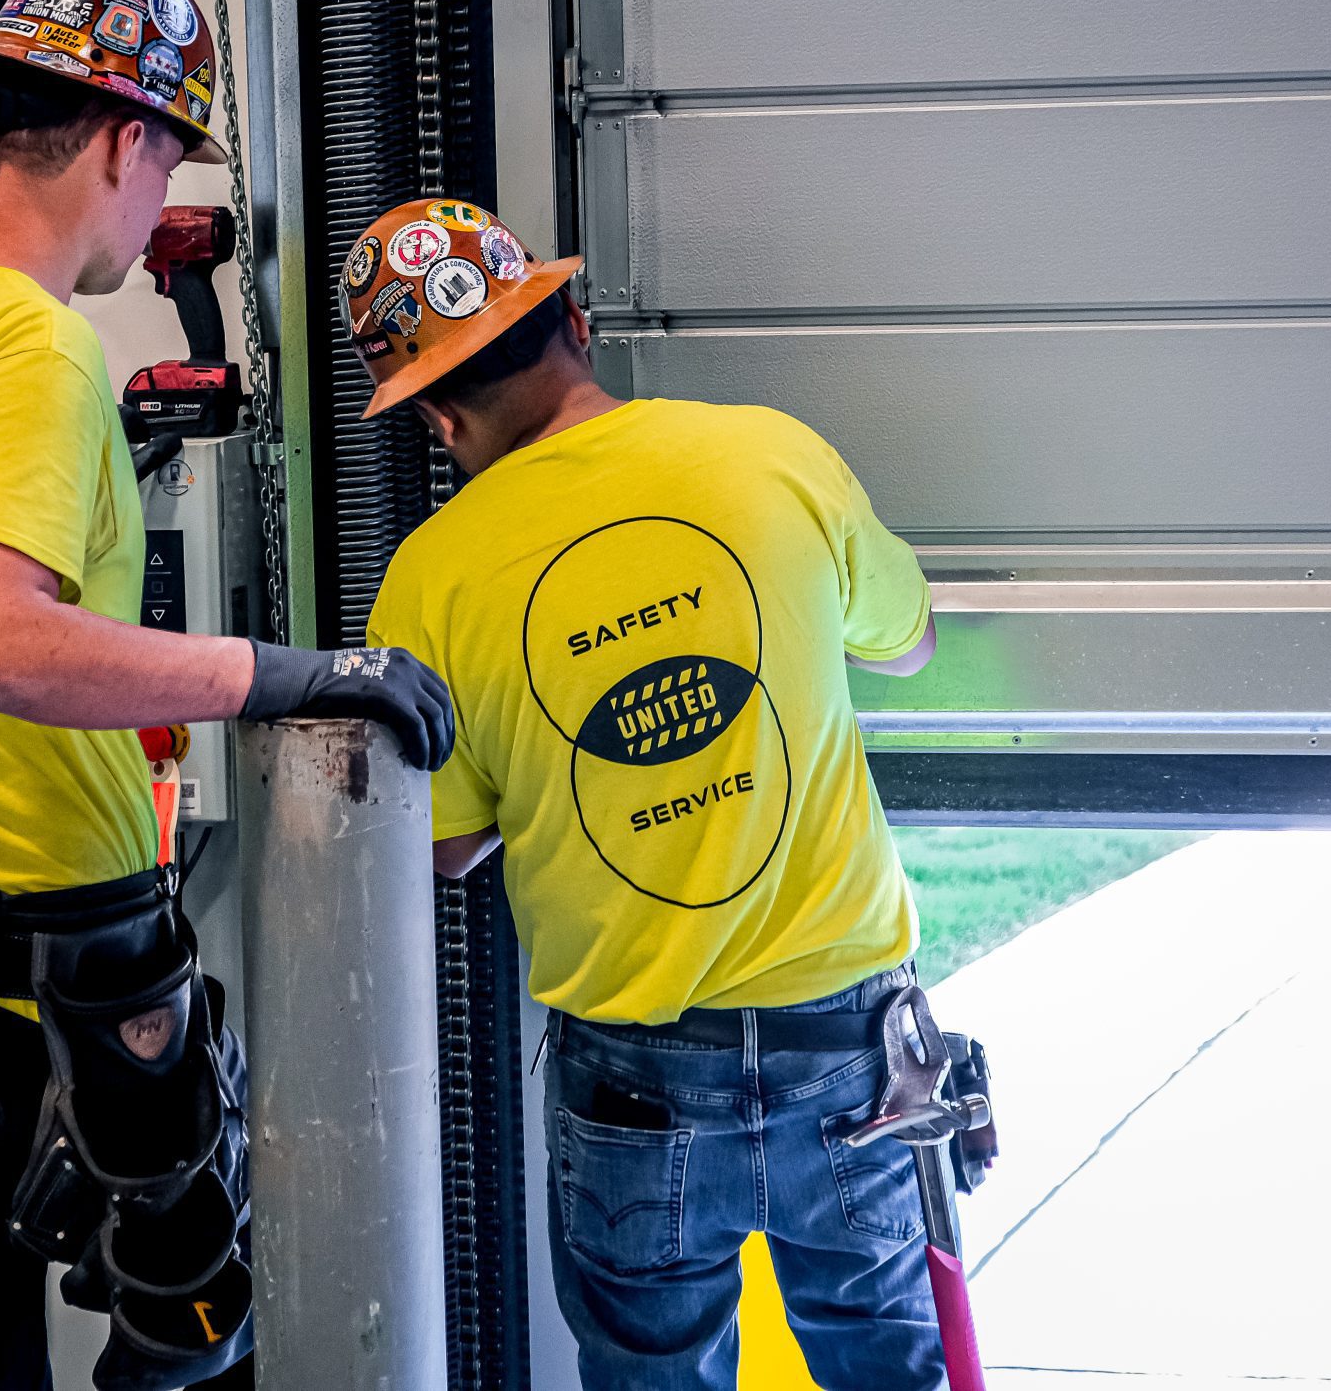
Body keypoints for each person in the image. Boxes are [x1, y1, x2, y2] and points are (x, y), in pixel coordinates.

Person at [0, 0, 454, 1391]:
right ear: (127, 138)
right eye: (167, 167)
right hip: (39, 986)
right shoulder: (35, 345)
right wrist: (290, 673)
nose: (156, 221)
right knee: (191, 1339)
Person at [355, 198, 944, 1390]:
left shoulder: (429, 577)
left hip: (633, 1077)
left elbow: (447, 844)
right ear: (573, 319)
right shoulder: (769, 455)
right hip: (849, 1042)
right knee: (886, 1361)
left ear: (433, 414)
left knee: (649, 1372)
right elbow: (910, 641)